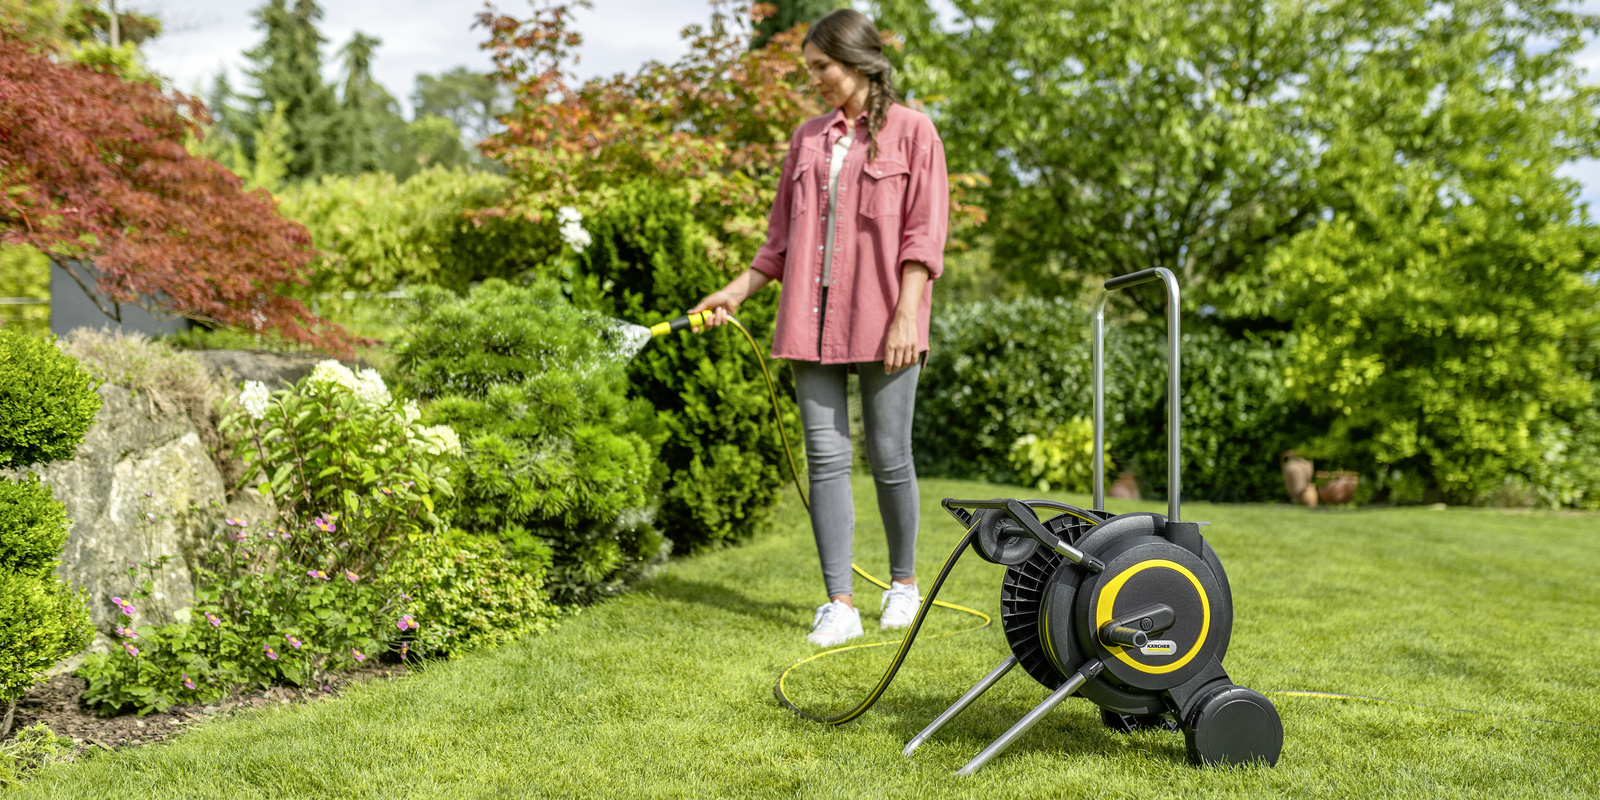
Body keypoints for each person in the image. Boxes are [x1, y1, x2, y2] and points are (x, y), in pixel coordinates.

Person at [689, 9, 949, 646]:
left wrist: (907, 316)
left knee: (890, 458)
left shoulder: (914, 133)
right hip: (810, 321)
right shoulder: (807, 139)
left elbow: (923, 236)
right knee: (826, 461)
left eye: (822, 68)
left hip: (888, 318)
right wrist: (734, 292)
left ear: (857, 62)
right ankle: (839, 603)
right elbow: (778, 244)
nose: (815, 81)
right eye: (810, 71)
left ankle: (904, 586)